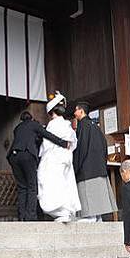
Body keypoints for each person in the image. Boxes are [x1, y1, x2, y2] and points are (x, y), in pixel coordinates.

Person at [7, 109, 69, 221]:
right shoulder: (34, 125)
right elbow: (47, 135)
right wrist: (63, 143)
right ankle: (30, 216)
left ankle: (21, 216)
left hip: (13, 156)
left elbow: (27, 138)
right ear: (31, 118)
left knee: (22, 187)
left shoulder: (17, 128)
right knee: (32, 186)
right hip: (27, 155)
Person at [37, 93, 81, 223]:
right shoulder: (67, 125)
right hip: (66, 159)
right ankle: (67, 211)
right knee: (66, 184)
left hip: (53, 159)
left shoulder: (52, 125)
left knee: (50, 183)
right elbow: (73, 143)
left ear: (51, 112)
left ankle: (61, 212)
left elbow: (46, 145)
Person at [73, 101, 118, 221]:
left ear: (81, 111)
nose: (74, 113)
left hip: (86, 171)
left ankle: (91, 219)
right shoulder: (95, 127)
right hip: (99, 169)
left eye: (76, 110)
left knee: (89, 204)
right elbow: (104, 147)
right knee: (98, 206)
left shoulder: (82, 126)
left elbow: (81, 149)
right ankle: (98, 218)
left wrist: (75, 167)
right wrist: (103, 165)